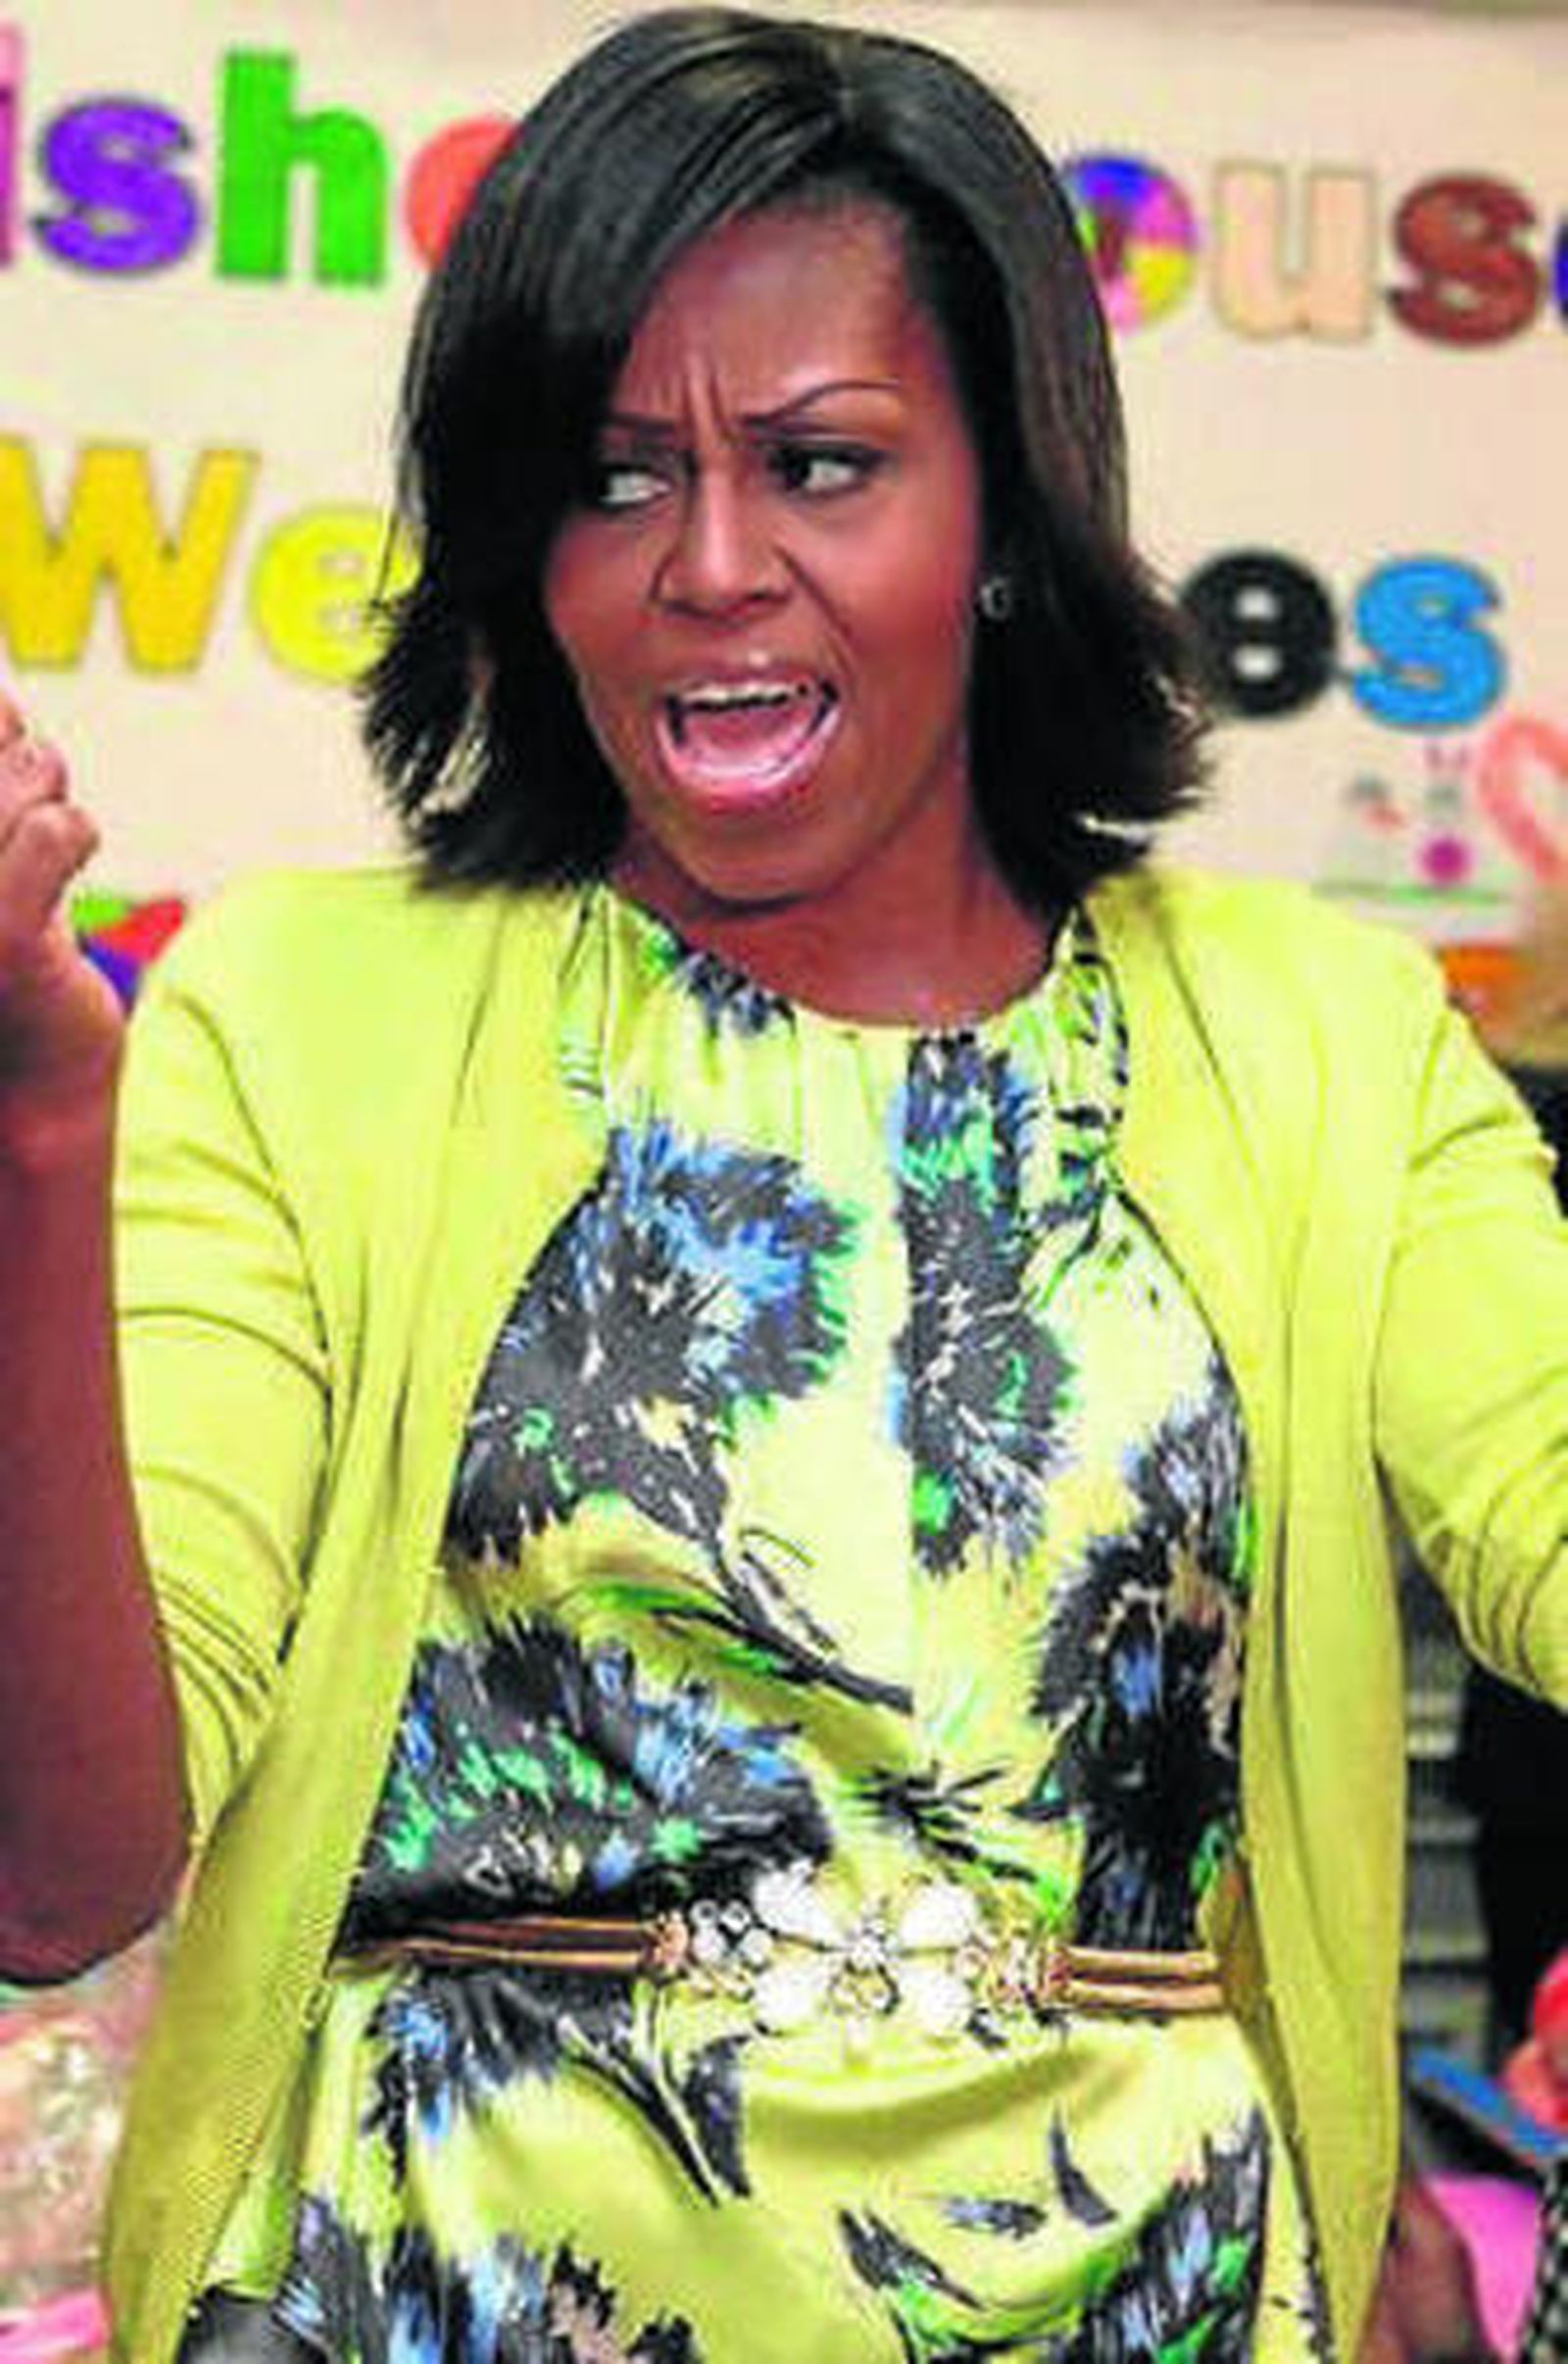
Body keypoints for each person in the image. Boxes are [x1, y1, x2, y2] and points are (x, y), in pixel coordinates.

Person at [0, 10, 1564, 2361]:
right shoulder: (304, 1013)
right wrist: (41, 1118)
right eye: (614, 479)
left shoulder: (1321, 1042)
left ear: (1006, 517)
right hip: (424, 2297)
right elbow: (58, 1871)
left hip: (1146, 2302)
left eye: (820, 465)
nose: (709, 566)